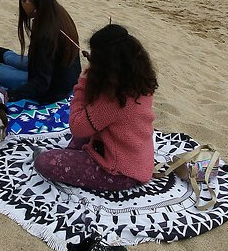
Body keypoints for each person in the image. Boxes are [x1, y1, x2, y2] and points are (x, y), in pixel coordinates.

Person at [35, 24, 157, 191]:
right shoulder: (137, 82)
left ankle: (74, 156)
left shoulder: (113, 100)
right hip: (138, 159)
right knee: (87, 128)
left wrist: (83, 83)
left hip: (120, 173)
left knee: (44, 162)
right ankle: (75, 154)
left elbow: (76, 127)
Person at [0, 0, 81, 103]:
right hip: (56, 68)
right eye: (23, 0)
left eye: (30, 0)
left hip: (55, 84)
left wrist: (11, 95)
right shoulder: (57, 11)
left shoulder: (47, 31)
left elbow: (42, 83)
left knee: (0, 71)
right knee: (11, 58)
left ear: (40, 0)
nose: (25, 5)